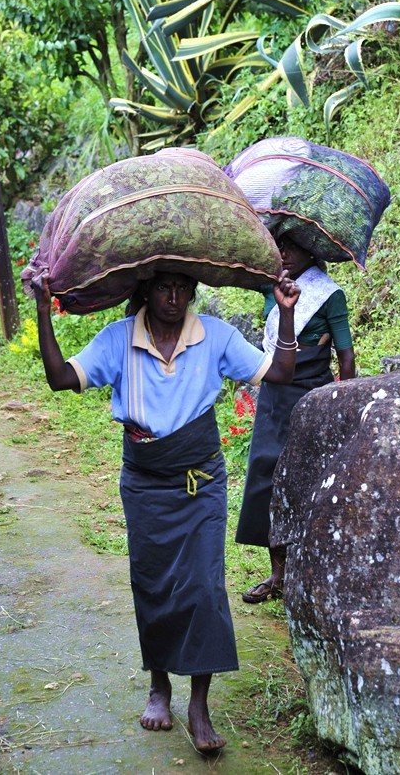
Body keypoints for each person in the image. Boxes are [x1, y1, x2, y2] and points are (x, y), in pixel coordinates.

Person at [32, 268, 300, 752]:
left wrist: (285, 312)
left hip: (201, 481)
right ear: (146, 291)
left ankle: (199, 705)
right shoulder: (119, 340)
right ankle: (159, 687)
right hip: (145, 481)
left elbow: (280, 373)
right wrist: (42, 306)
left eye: (182, 288)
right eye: (162, 287)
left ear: (193, 292)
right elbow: (59, 378)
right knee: (152, 582)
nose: (173, 298)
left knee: (203, 586)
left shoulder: (215, 336)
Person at [236, 234, 356, 603]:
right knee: (266, 477)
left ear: (312, 251)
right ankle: (278, 574)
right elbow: (239, 271)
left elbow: (345, 356)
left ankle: (312, 571)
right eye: (280, 245)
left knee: (309, 481)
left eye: (292, 247)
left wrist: (343, 407)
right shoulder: (271, 286)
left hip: (311, 396)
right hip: (274, 394)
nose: (284, 253)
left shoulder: (328, 295)